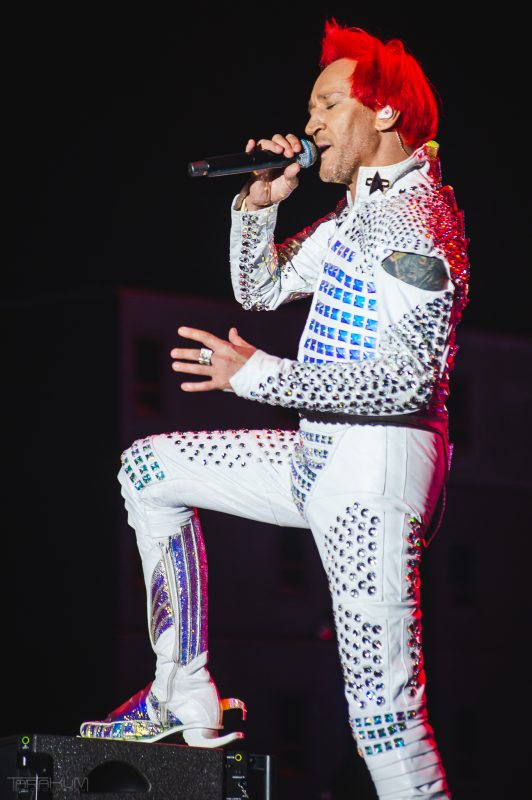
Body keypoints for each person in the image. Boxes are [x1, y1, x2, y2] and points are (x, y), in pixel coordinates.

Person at [80, 19, 468, 799]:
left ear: (384, 113)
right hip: (317, 458)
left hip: (372, 482)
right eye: (312, 108)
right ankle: (183, 692)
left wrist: (259, 376)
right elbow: (258, 290)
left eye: (328, 106)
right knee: (149, 469)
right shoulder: (359, 214)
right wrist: (258, 207)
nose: (311, 124)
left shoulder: (416, 220)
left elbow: (408, 383)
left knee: (386, 725)